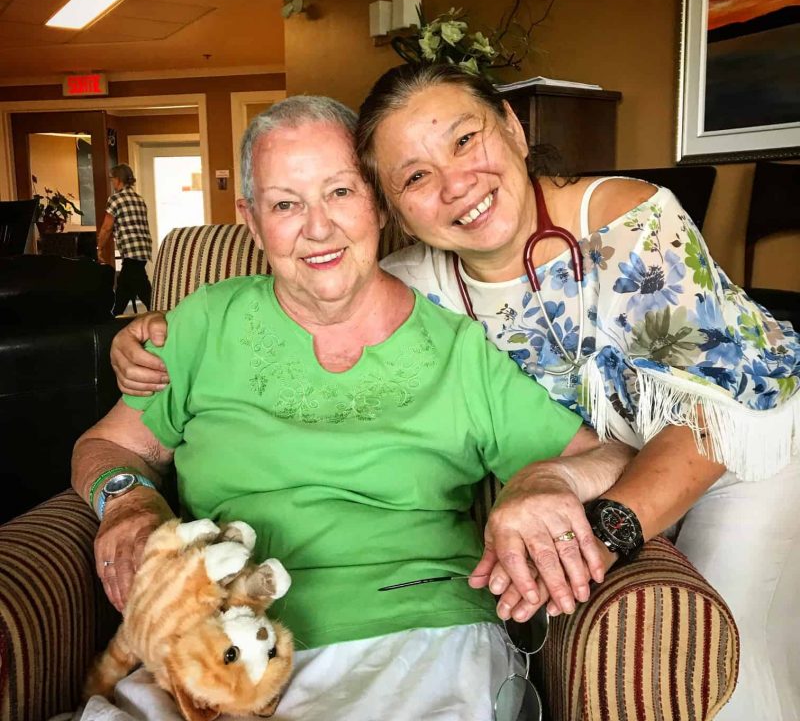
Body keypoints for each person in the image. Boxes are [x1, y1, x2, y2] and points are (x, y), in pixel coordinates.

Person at [116, 65, 800, 721]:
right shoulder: (414, 278)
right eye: (416, 175)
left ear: (513, 127)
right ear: (391, 206)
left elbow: (719, 408)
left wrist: (593, 527)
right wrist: (154, 334)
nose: (455, 184)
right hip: (611, 460)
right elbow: (324, 291)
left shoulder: (627, 218)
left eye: (465, 140)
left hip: (739, 445)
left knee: (728, 668)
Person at [75, 96, 634, 721]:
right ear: (252, 222)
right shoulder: (203, 322)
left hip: (419, 637)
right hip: (220, 645)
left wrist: (550, 479)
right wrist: (125, 502)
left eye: (340, 192)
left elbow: (607, 456)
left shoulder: (457, 348)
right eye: (286, 204)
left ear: (377, 203)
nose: (318, 228)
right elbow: (108, 445)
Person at [97, 163, 153, 315]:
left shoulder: (115, 199)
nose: (111, 182)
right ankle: (115, 315)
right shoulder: (139, 199)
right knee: (128, 283)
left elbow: (106, 227)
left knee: (140, 286)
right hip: (143, 248)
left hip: (130, 249)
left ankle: (159, 312)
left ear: (118, 179)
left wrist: (99, 248)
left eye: (112, 179)